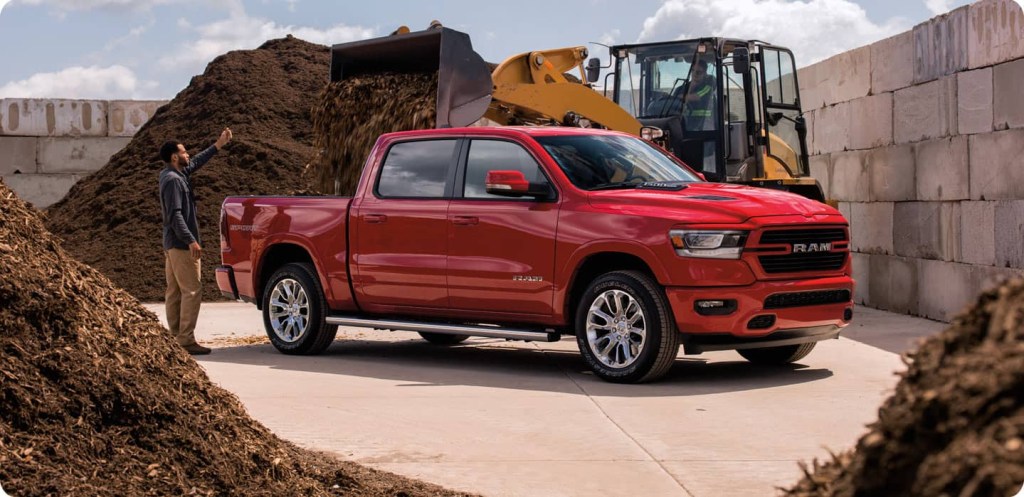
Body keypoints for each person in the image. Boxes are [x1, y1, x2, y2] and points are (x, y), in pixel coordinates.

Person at [159, 128, 232, 355]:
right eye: (184, 152)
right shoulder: (173, 181)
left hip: (171, 243)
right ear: (174, 157)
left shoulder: (173, 174)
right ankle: (186, 340)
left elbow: (195, 162)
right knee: (191, 290)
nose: (188, 154)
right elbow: (176, 215)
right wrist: (191, 241)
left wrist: (218, 144)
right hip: (181, 244)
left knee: (175, 291)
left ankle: (175, 337)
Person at [682, 59, 715, 131]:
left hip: (705, 128)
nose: (695, 74)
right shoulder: (683, 87)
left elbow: (696, 97)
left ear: (705, 73)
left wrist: (680, 97)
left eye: (698, 72)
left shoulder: (708, 86)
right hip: (687, 127)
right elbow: (673, 102)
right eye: (693, 71)